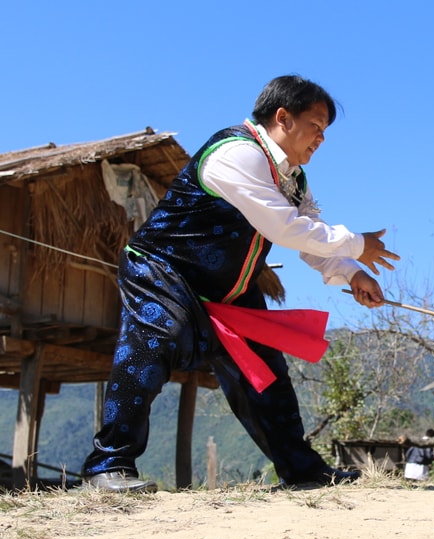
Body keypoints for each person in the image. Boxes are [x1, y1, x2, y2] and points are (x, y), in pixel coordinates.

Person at [82, 75, 400, 492]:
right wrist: (358, 244)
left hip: (230, 290)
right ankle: (108, 467)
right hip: (162, 270)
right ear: (282, 117)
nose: (320, 139)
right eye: (316, 127)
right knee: (155, 341)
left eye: (325, 132)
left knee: (265, 374)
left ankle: (302, 471)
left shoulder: (294, 179)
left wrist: (354, 272)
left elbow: (309, 233)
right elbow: (284, 228)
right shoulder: (236, 153)